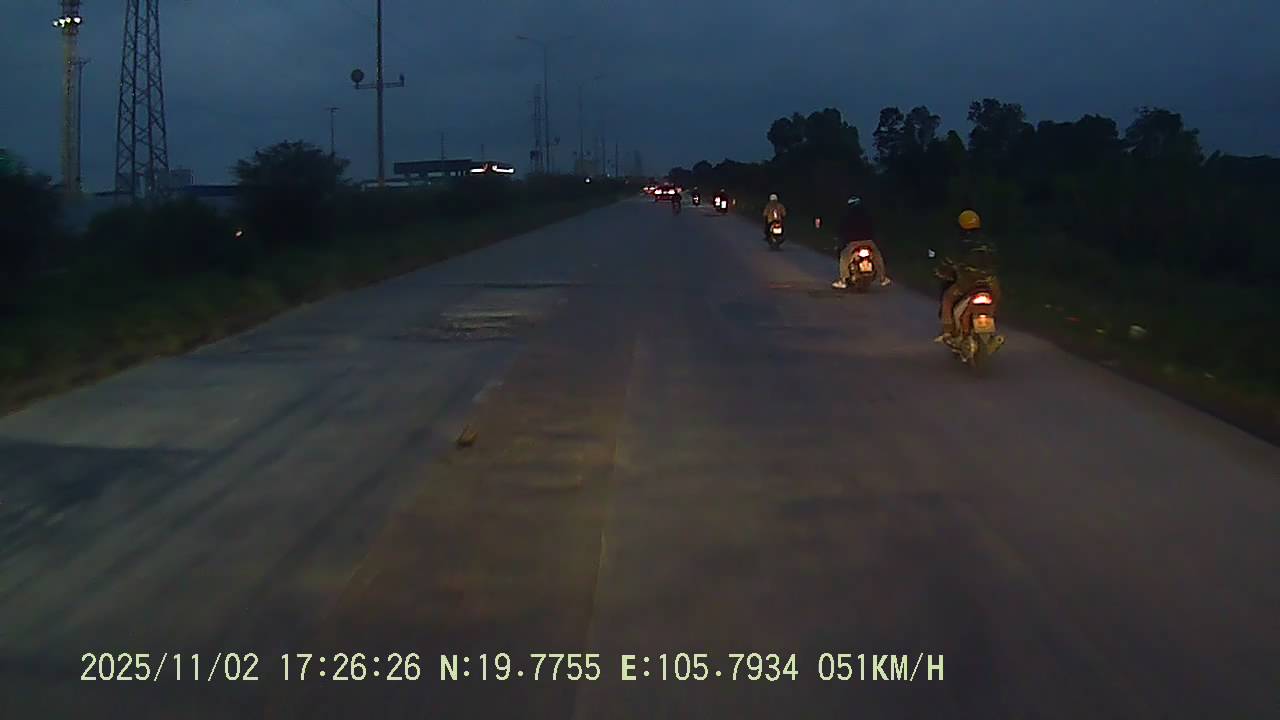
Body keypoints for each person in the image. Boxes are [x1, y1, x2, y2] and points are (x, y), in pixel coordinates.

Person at [935, 209, 1001, 341]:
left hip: (967, 282)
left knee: (947, 299)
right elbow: (996, 260)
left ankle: (948, 331)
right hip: (989, 282)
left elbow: (949, 261)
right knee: (996, 299)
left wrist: (942, 271)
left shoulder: (960, 243)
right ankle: (992, 321)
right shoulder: (988, 243)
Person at [831, 196, 891, 289]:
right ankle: (882, 278)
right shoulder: (867, 214)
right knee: (877, 256)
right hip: (868, 242)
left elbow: (841, 229)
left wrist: (840, 237)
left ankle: (843, 280)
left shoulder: (847, 216)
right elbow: (873, 227)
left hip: (853, 243)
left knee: (844, 257)